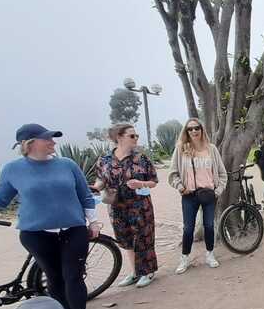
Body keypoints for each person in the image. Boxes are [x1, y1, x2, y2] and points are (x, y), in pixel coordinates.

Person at [0, 123, 100, 309]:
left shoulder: (68, 165)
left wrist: (94, 222)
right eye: (47, 139)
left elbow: (85, 196)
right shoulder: (13, 169)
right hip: (36, 234)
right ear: (29, 144)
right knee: (54, 277)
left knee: (73, 276)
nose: (53, 142)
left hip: (74, 229)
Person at [94, 124, 159, 288]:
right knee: (126, 240)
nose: (136, 138)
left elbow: (154, 181)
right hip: (117, 206)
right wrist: (96, 188)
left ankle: (147, 271)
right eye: (132, 136)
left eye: (136, 135)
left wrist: (140, 183)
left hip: (140, 205)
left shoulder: (141, 158)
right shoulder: (105, 160)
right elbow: (101, 180)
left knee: (143, 238)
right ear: (119, 137)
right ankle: (135, 272)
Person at [167, 118, 228, 275]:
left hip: (209, 194)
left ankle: (210, 254)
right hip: (189, 195)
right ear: (186, 132)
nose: (194, 131)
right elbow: (172, 173)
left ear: (202, 129)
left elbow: (222, 173)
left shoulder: (212, 149)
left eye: (197, 128)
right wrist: (180, 187)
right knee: (188, 228)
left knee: (209, 225)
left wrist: (218, 191)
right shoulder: (181, 149)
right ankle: (185, 258)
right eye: (190, 129)